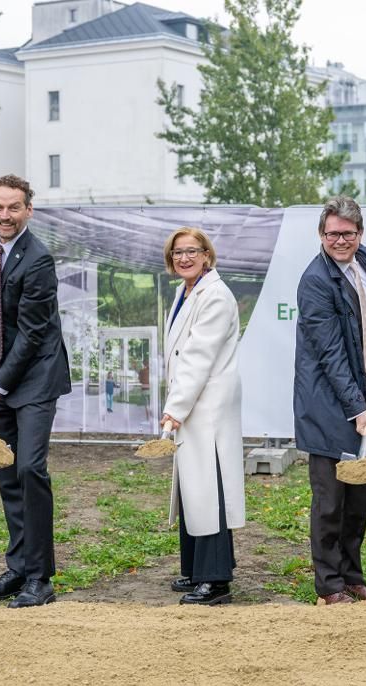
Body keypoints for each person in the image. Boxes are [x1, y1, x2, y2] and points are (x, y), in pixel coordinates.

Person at [0, 174, 72, 608]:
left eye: (14, 207)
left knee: (30, 468)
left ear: (29, 210)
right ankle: (18, 569)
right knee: (7, 472)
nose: (5, 215)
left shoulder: (39, 259)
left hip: (35, 378)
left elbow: (31, 334)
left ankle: (40, 578)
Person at [293, 196, 366, 605]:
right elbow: (330, 353)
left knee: (359, 496)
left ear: (360, 234)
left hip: (362, 395)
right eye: (332, 233)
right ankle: (329, 585)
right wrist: (357, 410)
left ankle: (352, 577)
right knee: (331, 500)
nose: (340, 241)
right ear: (321, 235)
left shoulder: (365, 262)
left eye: (347, 233)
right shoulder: (315, 280)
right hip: (329, 403)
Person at [160, 226, 245, 606]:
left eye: (192, 251)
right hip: (193, 402)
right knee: (194, 488)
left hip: (207, 405)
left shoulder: (216, 296)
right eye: (177, 252)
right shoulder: (185, 291)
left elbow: (197, 358)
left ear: (207, 255)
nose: (184, 258)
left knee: (210, 490)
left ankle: (216, 580)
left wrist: (174, 409)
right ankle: (197, 569)